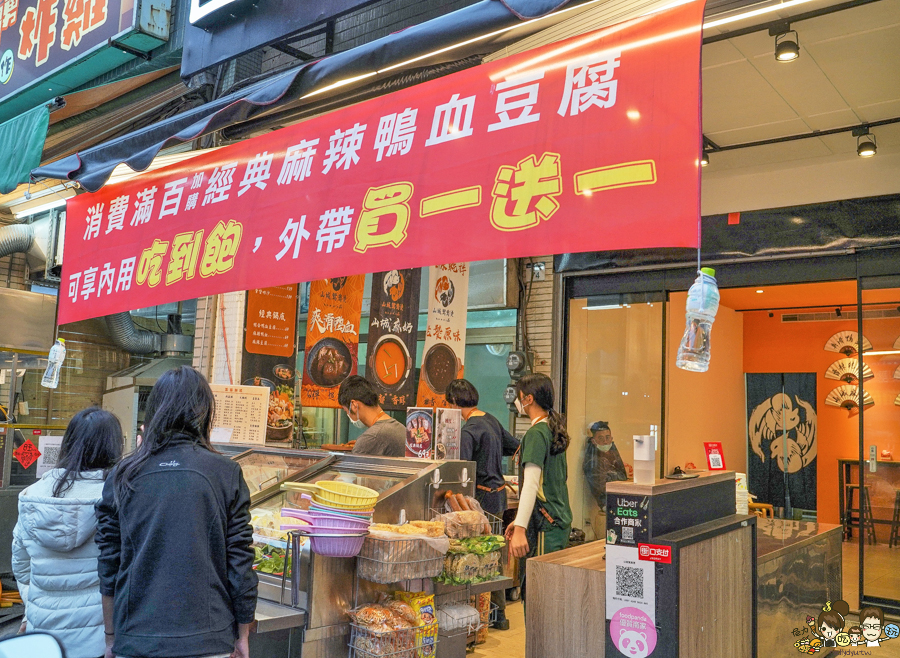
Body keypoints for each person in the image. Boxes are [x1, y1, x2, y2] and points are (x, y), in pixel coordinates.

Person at [95, 366, 257, 658]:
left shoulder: (121, 474)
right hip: (209, 638)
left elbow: (109, 565)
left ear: (155, 411)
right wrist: (242, 634)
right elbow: (240, 562)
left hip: (136, 637)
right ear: (204, 412)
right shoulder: (226, 472)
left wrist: (110, 636)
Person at [12, 408, 122, 658]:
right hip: (100, 640)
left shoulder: (32, 496)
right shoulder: (117, 498)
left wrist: (33, 610)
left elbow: (21, 568)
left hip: (45, 639)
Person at [445, 378, 519, 630]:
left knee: (475, 556)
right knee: (493, 554)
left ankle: (480, 619)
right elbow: (515, 447)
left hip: (480, 500)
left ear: (454, 403)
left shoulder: (468, 430)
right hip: (498, 496)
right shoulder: (491, 420)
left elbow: (461, 472)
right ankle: (499, 615)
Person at [505, 373, 572, 602]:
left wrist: (521, 528)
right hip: (557, 522)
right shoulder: (552, 429)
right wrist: (520, 520)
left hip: (546, 526)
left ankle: (540, 640)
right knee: (551, 594)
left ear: (528, 399)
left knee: (539, 597)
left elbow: (531, 485)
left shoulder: (535, 434)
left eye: (518, 396)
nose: (516, 402)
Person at [339, 375, 406, 457]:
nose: (348, 415)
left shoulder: (371, 438)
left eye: (346, 411)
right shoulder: (399, 427)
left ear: (354, 405)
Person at [582, 421, 628, 539]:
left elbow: (623, 477)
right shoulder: (592, 462)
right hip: (607, 503)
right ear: (593, 441)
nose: (605, 441)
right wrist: (614, 477)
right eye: (601, 438)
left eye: (608, 437)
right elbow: (601, 486)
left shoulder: (612, 455)